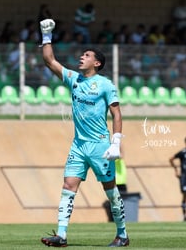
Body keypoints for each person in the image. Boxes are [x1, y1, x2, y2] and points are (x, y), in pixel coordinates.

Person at [39, 19, 129, 247]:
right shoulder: (73, 79)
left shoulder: (106, 85)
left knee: (110, 191)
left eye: (87, 55)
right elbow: (49, 60)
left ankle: (123, 234)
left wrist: (115, 142)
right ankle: (61, 235)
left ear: (97, 63)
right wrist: (46, 35)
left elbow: (117, 114)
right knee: (69, 185)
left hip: (100, 146)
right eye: (82, 55)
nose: (82, 57)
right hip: (78, 145)